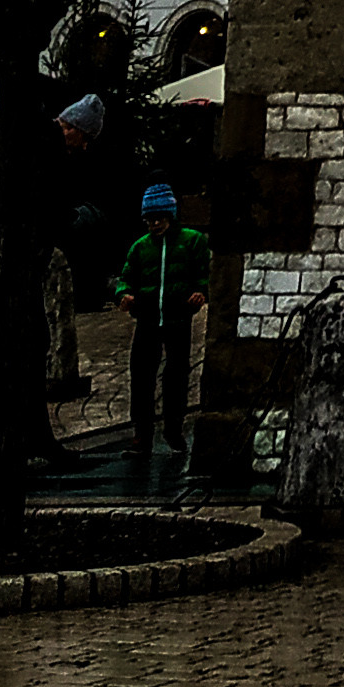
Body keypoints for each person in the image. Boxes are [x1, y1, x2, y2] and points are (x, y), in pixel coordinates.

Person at [110, 180, 212, 472]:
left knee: (177, 375)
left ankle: (174, 428)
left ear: (171, 216)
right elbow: (126, 277)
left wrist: (200, 291)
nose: (154, 224)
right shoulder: (140, 248)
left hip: (179, 317)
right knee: (141, 375)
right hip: (147, 317)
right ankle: (141, 434)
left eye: (159, 218)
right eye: (149, 219)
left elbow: (202, 273)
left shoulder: (192, 241)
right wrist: (123, 294)